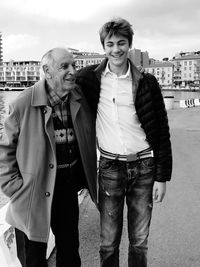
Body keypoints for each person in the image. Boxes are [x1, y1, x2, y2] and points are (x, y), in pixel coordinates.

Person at [76, 18, 172, 267]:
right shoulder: (89, 79)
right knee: (108, 242)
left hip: (144, 167)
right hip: (109, 167)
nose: (116, 49)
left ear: (129, 45)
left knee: (139, 240)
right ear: (103, 46)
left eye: (121, 43)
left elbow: (161, 131)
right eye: (110, 44)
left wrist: (162, 178)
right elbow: (58, 84)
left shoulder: (147, 82)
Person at [0, 47, 97, 267]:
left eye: (74, 65)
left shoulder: (78, 98)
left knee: (70, 253)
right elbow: (4, 150)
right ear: (47, 70)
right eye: (65, 66)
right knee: (34, 258)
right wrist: (14, 188)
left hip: (67, 188)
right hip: (32, 193)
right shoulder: (22, 103)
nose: (73, 71)